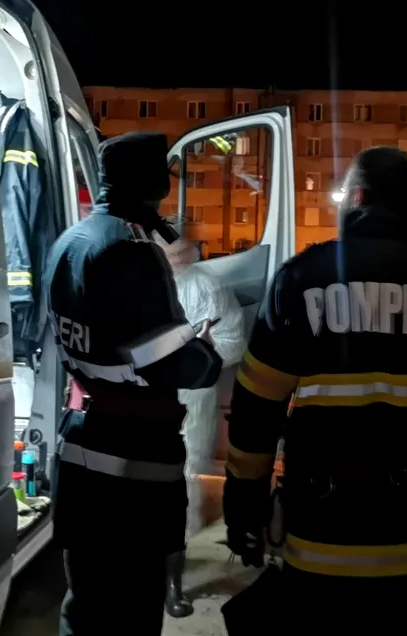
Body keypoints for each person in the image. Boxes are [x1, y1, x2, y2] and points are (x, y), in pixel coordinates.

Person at [221, 146, 407, 635]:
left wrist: (244, 511)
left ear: (356, 197)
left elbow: (257, 409)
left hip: (322, 540)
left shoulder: (302, 278)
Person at [44, 131, 223, 636]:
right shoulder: (133, 250)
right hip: (134, 466)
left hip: (79, 447)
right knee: (133, 611)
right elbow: (171, 362)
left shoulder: (68, 241)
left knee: (84, 604)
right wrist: (204, 351)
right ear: (154, 185)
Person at [157, 237, 247, 618]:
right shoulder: (143, 281)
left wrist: (197, 360)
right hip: (149, 397)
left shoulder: (206, 287)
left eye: (178, 250)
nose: (174, 257)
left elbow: (233, 340)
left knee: (185, 474)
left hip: (190, 397)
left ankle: (175, 571)